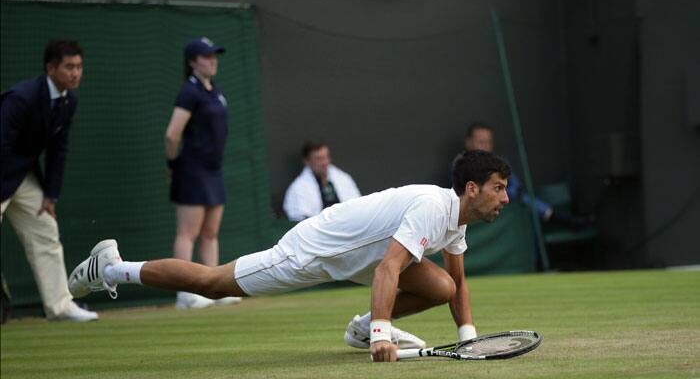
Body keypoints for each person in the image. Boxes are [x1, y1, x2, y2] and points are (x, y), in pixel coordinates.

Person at [69, 150, 511, 362]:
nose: (504, 198)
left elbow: (459, 284)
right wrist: (382, 333)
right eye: (498, 188)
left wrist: (469, 337)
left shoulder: (458, 220)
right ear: (471, 189)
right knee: (211, 281)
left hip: (360, 259)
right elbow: (389, 267)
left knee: (443, 285)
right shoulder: (433, 207)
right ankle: (110, 267)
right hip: (316, 249)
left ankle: (358, 329)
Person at [0, 39, 97, 322]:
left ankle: (60, 306)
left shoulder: (69, 101)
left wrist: (50, 195)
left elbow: (58, 150)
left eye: (79, 67)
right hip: (3, 172)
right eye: (69, 67)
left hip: (22, 177)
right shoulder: (21, 97)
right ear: (51, 68)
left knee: (45, 231)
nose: (76, 73)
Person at [164, 37, 241, 309]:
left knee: (210, 233)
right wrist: (173, 166)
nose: (212, 60)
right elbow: (173, 135)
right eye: (206, 56)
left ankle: (215, 289)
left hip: (214, 171)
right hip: (191, 170)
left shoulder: (214, 91)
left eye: (214, 56)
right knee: (188, 233)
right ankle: (185, 293)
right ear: (192, 62)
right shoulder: (189, 92)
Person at [461, 122, 593, 228]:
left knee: (526, 209)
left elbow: (516, 185)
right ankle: (559, 218)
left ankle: (557, 219)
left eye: (488, 142)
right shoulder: (461, 165)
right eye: (481, 142)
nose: (485, 146)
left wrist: (507, 192)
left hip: (511, 206)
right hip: (483, 207)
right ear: (469, 142)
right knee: (526, 203)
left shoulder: (499, 162)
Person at [283, 140, 361, 221]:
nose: (324, 162)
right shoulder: (298, 188)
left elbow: (357, 207)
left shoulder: (344, 179)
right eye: (319, 159)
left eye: (326, 157)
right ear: (307, 161)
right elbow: (299, 219)